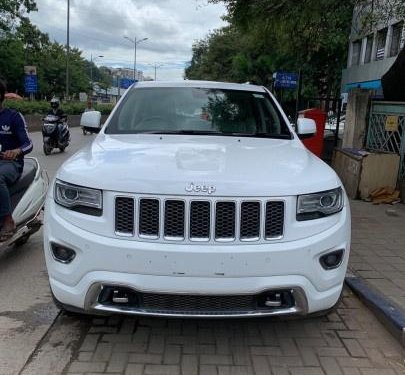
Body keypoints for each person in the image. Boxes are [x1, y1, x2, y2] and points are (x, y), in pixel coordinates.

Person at [0, 79, 33, 241]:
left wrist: (16, 151)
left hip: (10, 163)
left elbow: (28, 144)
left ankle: (8, 220)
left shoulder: (13, 117)